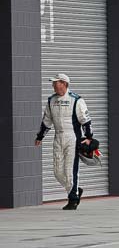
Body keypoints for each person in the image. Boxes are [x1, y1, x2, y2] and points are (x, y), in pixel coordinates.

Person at [35, 73, 93, 210]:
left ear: (64, 84)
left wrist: (89, 137)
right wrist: (40, 137)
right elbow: (46, 121)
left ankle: (73, 199)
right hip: (58, 137)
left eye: (56, 83)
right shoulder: (51, 100)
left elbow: (86, 121)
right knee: (57, 171)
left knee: (69, 170)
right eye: (53, 83)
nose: (53, 85)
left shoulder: (77, 100)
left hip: (72, 138)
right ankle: (76, 189)